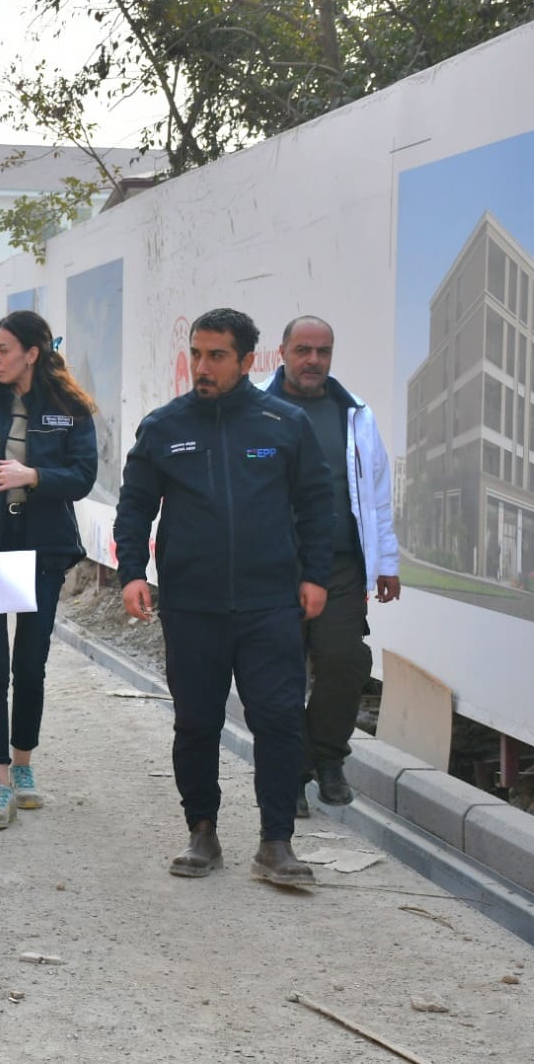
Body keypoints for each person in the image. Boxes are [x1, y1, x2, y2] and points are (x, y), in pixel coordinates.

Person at [114, 307, 334, 887]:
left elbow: (316, 504)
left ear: (246, 360)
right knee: (196, 722)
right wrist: (132, 572)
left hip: (269, 604)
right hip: (192, 605)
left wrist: (315, 576)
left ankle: (276, 842)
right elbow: (134, 506)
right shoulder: (164, 427)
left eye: (216, 356)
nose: (202, 367)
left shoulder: (283, 424)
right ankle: (202, 832)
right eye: (196, 354)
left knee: (280, 720)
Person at [0, 311, 98, 830]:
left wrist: (32, 475)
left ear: (32, 353)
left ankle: (23, 764)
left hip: (44, 549)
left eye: (4, 349)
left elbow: (82, 476)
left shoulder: (69, 410)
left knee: (30, 664)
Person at [264, 315, 400, 816]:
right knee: (279, 675)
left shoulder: (354, 414)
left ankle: (326, 759)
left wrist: (386, 561)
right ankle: (292, 775)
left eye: (322, 352)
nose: (313, 361)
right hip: (272, 564)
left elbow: (378, 494)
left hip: (340, 563)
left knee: (345, 660)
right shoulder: (258, 408)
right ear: (282, 352)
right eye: (303, 350)